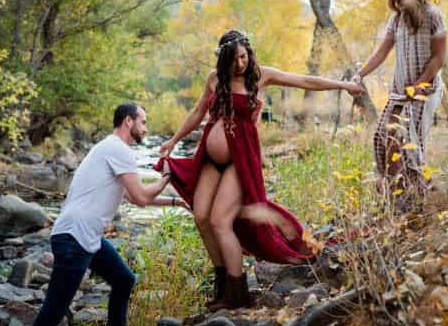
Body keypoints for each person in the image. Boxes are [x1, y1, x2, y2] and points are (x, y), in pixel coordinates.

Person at [156, 30, 363, 310]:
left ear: (249, 53)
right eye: (233, 60)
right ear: (222, 61)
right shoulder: (215, 79)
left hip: (239, 160)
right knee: (202, 217)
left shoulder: (261, 75)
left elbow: (304, 80)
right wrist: (173, 140)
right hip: (210, 157)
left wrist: (344, 86)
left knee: (220, 221)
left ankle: (237, 292)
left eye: (243, 56)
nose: (240, 64)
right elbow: (197, 113)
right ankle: (221, 286)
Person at [18, 103, 183, 326]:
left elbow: (132, 196)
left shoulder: (110, 149)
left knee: (123, 279)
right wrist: (166, 177)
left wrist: (176, 203)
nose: (146, 128)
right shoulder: (119, 149)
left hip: (85, 237)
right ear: (128, 121)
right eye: (143, 121)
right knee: (53, 311)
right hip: (74, 237)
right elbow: (142, 198)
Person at [353, 0, 448, 210]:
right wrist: (359, 74)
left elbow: (439, 58)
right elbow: (382, 52)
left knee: (405, 141)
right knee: (381, 137)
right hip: (400, 91)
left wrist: (419, 84)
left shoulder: (433, 15)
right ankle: (396, 195)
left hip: (424, 91)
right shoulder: (396, 21)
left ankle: (415, 197)